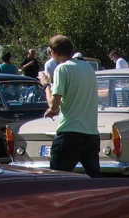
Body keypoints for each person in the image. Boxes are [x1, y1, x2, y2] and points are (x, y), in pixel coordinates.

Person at [43, 34, 101, 178]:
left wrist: (45, 84)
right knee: (94, 181)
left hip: (69, 134)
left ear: (53, 52)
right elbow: (75, 100)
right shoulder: (88, 68)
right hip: (91, 134)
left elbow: (53, 105)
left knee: (57, 181)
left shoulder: (62, 69)